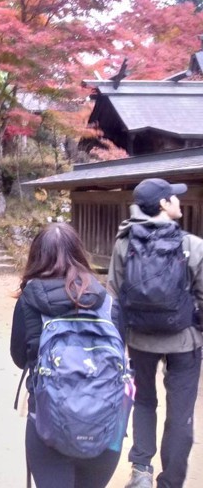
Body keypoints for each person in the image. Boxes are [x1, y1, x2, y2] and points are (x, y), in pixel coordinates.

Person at [10, 222, 125, 488]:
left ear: (36, 256)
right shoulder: (107, 301)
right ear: (79, 252)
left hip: (48, 424)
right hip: (104, 425)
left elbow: (18, 357)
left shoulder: (29, 301)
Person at [108, 178, 203, 488]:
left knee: (144, 401)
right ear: (163, 204)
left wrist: (120, 340)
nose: (178, 201)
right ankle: (170, 481)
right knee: (180, 413)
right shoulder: (192, 246)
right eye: (173, 197)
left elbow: (116, 294)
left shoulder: (124, 243)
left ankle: (141, 471)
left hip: (139, 338)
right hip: (184, 341)